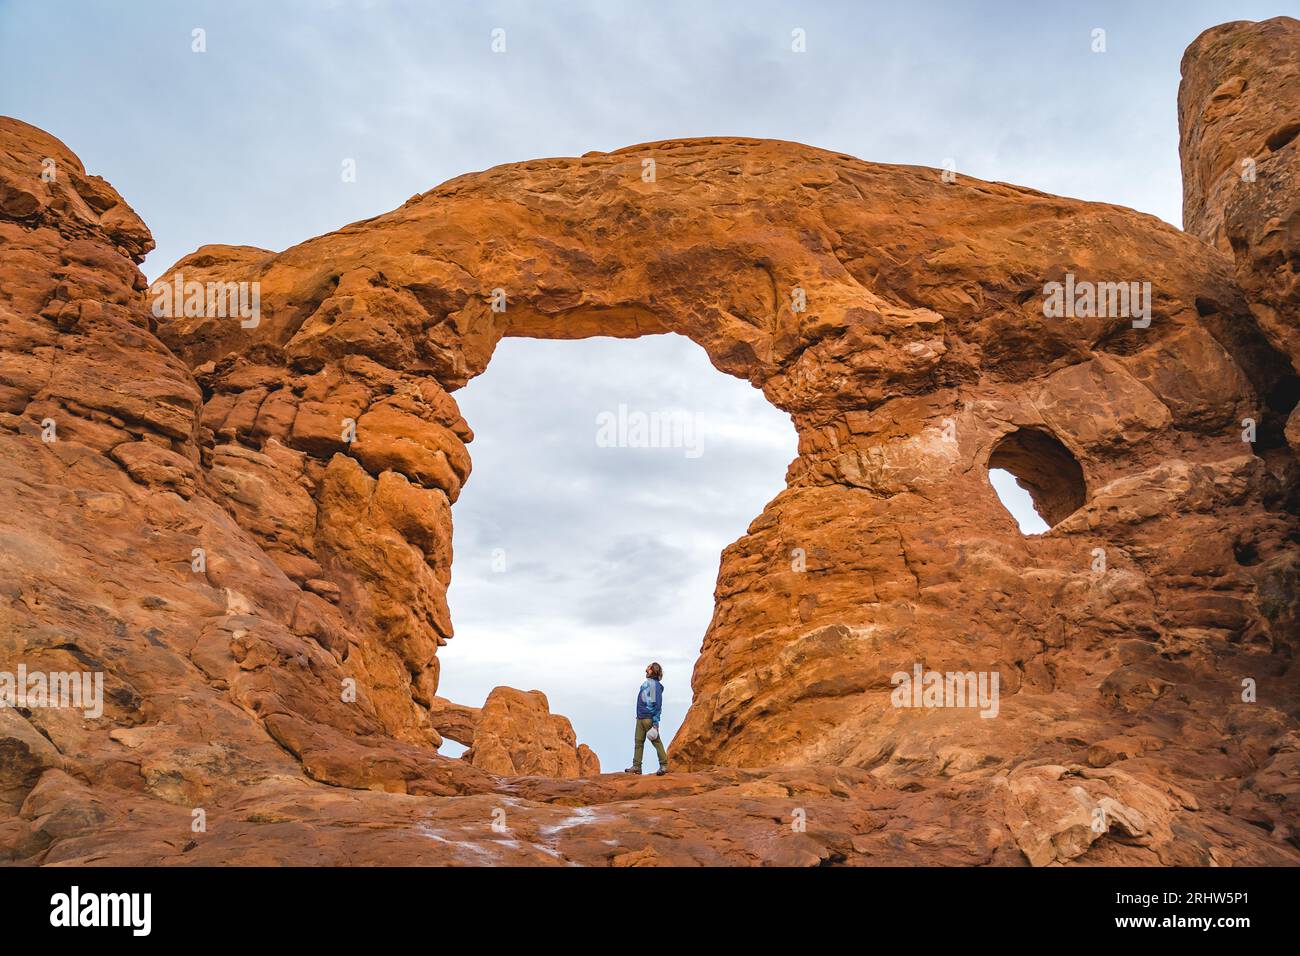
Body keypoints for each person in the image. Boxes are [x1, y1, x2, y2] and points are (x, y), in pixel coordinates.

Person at [625, 661, 669, 775]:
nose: (646, 670)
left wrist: (655, 722)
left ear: (653, 671)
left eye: (648, 668)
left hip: (648, 718)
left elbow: (658, 705)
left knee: (655, 741)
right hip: (640, 717)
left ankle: (664, 765)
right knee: (638, 742)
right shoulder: (647, 683)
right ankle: (636, 766)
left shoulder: (655, 685)